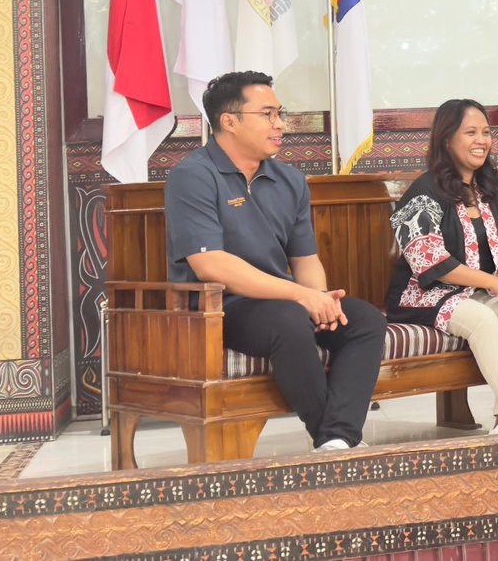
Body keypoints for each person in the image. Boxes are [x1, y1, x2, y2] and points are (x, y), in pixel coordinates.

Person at [164, 71, 386, 451]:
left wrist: (320, 300)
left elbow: (306, 259)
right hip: (221, 307)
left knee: (364, 320)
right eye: (267, 114)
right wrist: (301, 297)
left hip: (282, 299)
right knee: (288, 321)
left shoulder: (290, 180)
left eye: (279, 113)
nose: (280, 124)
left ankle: (336, 439)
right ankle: (333, 437)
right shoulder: (192, 176)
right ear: (229, 121)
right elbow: (210, 265)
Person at [386, 99, 498, 435]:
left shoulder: (494, 185)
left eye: (486, 133)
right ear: (447, 139)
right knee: (484, 320)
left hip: (479, 293)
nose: (482, 141)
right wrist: (495, 283)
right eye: (471, 132)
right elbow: (430, 260)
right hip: (427, 295)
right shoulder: (424, 192)